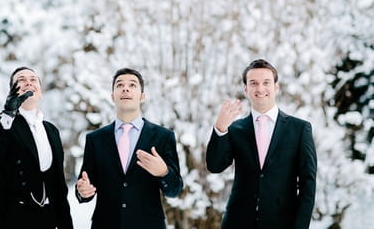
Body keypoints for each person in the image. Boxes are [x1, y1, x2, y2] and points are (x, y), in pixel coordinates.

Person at [206, 59, 317, 229]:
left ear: (276, 87)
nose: (260, 89)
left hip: (282, 223)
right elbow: (215, 165)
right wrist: (220, 127)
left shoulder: (300, 129)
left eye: (266, 82)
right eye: (253, 83)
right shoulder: (235, 129)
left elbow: (307, 184)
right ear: (246, 89)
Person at [75, 67, 183, 229]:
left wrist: (164, 173)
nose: (125, 88)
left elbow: (174, 190)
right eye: (119, 85)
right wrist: (82, 192)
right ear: (113, 96)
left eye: (132, 85)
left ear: (142, 96)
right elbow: (85, 184)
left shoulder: (163, 136)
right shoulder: (95, 139)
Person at [0, 66, 73, 229]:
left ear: (41, 92)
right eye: (21, 80)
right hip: (13, 217)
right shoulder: (0, 124)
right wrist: (8, 115)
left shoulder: (52, 130)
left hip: (49, 218)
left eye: (33, 80)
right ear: (12, 92)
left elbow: (58, 185)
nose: (28, 83)